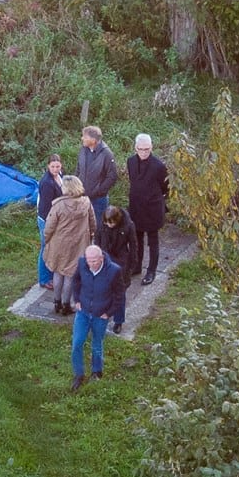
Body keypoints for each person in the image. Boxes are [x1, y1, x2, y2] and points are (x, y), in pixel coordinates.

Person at [41, 175, 94, 318]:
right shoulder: (86, 202)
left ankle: (56, 303)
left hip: (59, 244)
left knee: (58, 272)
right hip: (79, 245)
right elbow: (93, 223)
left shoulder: (58, 205)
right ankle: (66, 305)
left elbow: (49, 227)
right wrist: (91, 237)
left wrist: (47, 240)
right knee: (70, 275)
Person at [70, 244, 121, 391]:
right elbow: (76, 281)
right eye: (88, 260)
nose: (90, 264)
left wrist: (109, 313)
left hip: (100, 315)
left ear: (101, 258)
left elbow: (119, 296)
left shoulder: (113, 271)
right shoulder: (82, 263)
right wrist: (77, 300)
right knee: (77, 343)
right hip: (83, 312)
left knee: (97, 344)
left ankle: (96, 371)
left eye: (94, 261)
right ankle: (79, 374)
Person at [127, 132, 171, 285]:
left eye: (147, 149)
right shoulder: (130, 162)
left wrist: (156, 198)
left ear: (151, 147)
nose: (144, 152)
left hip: (152, 208)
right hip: (136, 207)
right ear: (135, 148)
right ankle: (137, 266)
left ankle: (151, 271)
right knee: (136, 239)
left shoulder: (159, 166)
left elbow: (166, 187)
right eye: (141, 149)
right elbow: (133, 181)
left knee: (153, 241)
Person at [95, 205, 138, 334]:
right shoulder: (102, 225)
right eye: (106, 222)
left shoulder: (128, 225)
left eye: (111, 222)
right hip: (105, 259)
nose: (109, 225)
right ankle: (102, 315)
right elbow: (97, 240)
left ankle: (118, 321)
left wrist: (132, 264)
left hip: (121, 261)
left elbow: (134, 244)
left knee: (120, 293)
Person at [34, 155, 64, 289]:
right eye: (52, 166)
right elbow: (47, 206)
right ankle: (44, 279)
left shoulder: (60, 176)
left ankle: (51, 274)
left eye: (57, 166)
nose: (55, 169)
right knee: (45, 248)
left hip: (56, 217)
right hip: (46, 219)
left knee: (53, 248)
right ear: (48, 166)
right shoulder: (47, 183)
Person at [78, 125, 118, 224]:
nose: (82, 138)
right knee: (84, 227)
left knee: (98, 228)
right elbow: (78, 169)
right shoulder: (83, 149)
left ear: (93, 140)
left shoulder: (106, 154)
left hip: (99, 200)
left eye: (85, 137)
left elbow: (112, 176)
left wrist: (98, 191)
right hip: (83, 197)